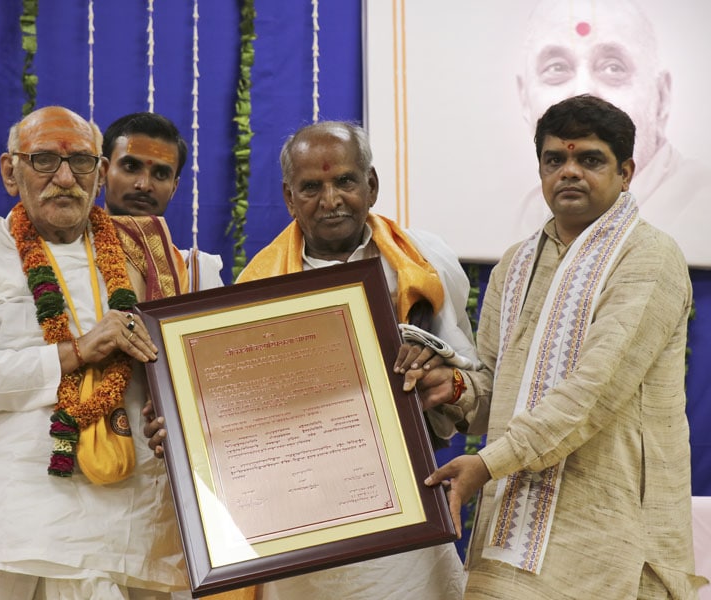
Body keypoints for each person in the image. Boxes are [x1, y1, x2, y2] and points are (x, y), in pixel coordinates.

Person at [148, 121, 477, 599]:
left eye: (344, 180)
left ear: (372, 184)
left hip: (403, 530)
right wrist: (182, 432)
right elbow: (234, 415)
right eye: (312, 187)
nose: (331, 200)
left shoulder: (425, 262)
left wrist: (440, 379)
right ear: (288, 197)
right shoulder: (256, 288)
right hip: (301, 533)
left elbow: (472, 380)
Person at [404, 95, 707, 598]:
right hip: (510, 538)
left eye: (589, 159)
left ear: (626, 172)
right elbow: (493, 394)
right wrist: (454, 387)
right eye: (555, 160)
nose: (569, 172)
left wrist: (484, 465)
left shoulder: (649, 257)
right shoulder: (515, 265)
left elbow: (593, 393)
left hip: (612, 535)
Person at [0, 106, 197, 599]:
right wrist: (78, 350)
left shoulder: (152, 256)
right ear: (9, 170)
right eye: (43, 160)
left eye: (82, 162)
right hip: (13, 518)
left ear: (101, 173)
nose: (64, 178)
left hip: (124, 522)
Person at [514, 0, 710, 266]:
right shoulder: (521, 244)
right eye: (557, 68)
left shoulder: (695, 211)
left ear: (662, 97)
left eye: (613, 67)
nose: (583, 90)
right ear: (524, 100)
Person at [102, 111, 223, 292]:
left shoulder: (196, 274)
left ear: (174, 187)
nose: (144, 185)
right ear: (103, 172)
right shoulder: (73, 259)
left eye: (160, 174)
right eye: (131, 167)